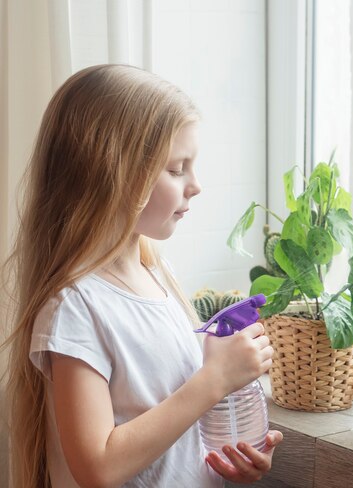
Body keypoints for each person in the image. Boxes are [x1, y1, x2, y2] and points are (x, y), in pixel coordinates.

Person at [1, 64, 282, 487]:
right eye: (176, 169)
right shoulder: (75, 308)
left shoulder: (158, 275)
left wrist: (225, 458)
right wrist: (214, 379)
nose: (196, 185)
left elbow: (164, 438)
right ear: (111, 174)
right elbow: (99, 466)